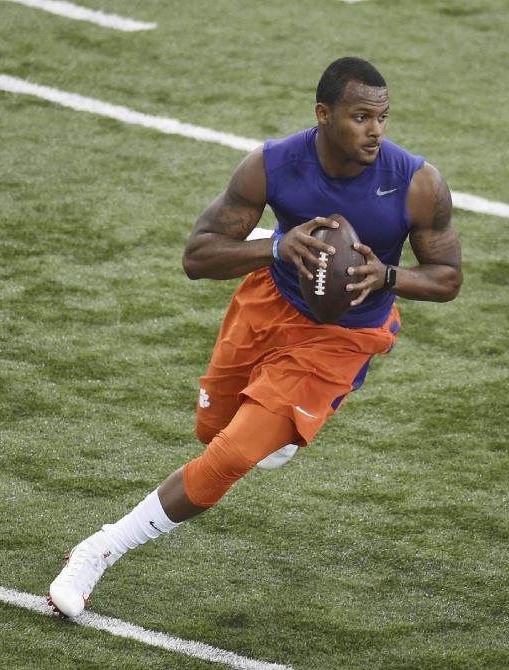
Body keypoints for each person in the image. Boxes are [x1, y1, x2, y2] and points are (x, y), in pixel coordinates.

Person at [47, 56, 462, 617]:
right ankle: (276, 428)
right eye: (361, 117)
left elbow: (447, 278)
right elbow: (197, 257)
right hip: (269, 303)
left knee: (233, 454)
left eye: (383, 118)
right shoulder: (271, 165)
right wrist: (274, 246)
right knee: (212, 430)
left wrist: (388, 276)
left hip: (342, 335)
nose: (376, 131)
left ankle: (97, 551)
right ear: (324, 115)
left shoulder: (416, 182)